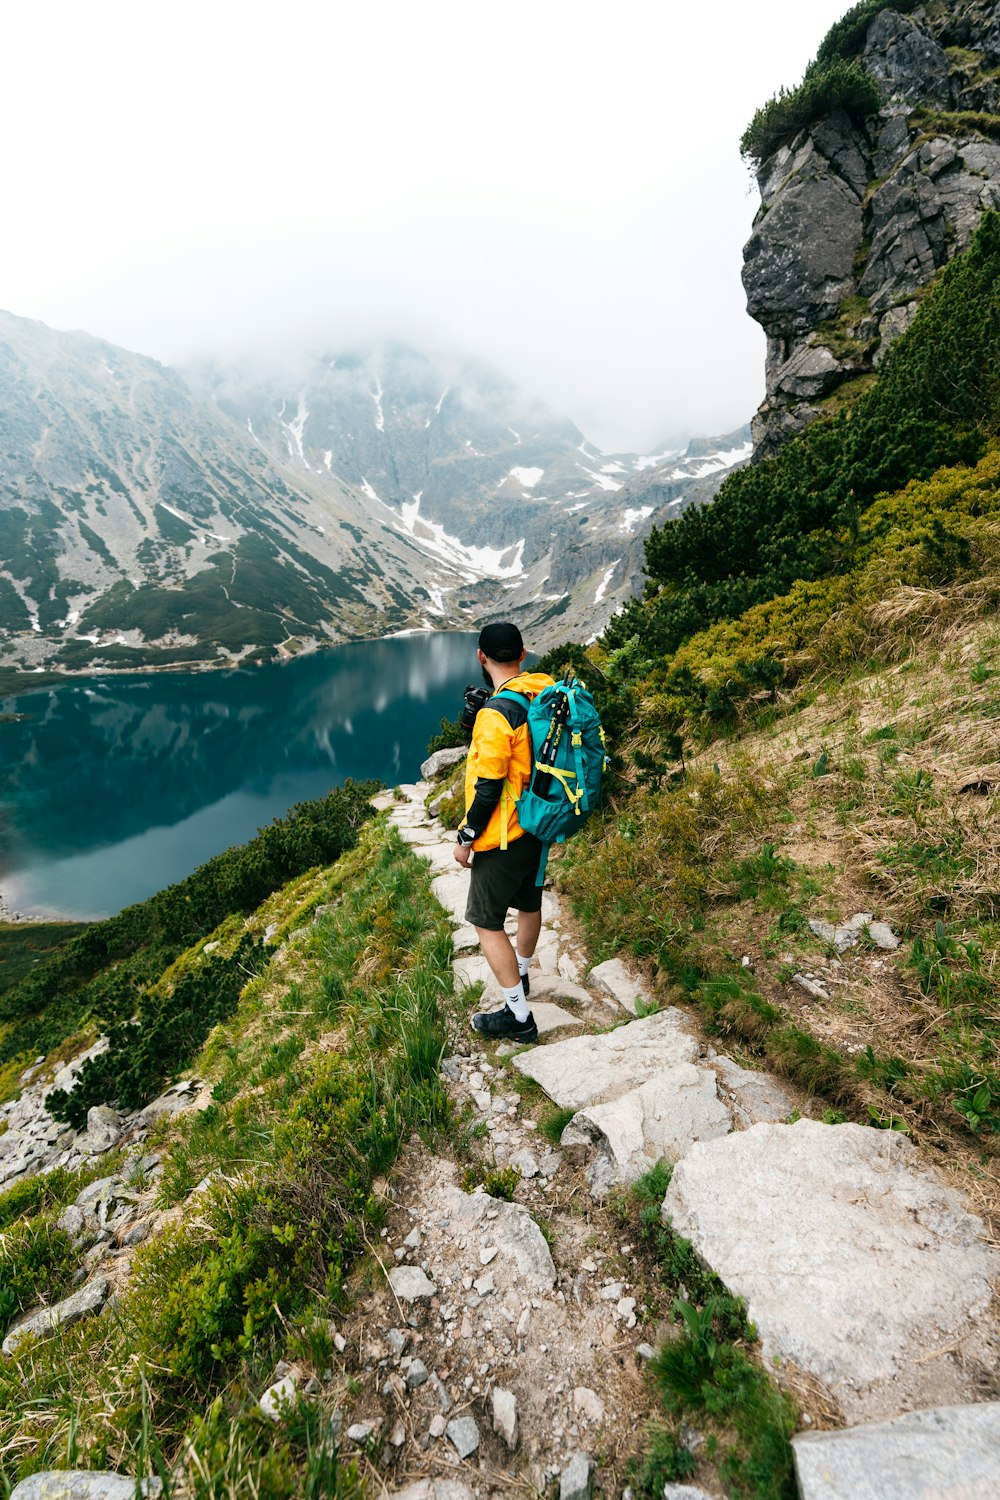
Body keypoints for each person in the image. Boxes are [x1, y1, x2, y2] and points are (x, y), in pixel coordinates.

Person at [453, 622, 554, 1042]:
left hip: (504, 835)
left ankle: (518, 1017)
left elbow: (489, 784)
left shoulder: (496, 714)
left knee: (484, 920)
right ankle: (524, 975)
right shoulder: (539, 691)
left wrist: (465, 837)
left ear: (481, 657)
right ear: (523, 654)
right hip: (537, 825)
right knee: (529, 904)